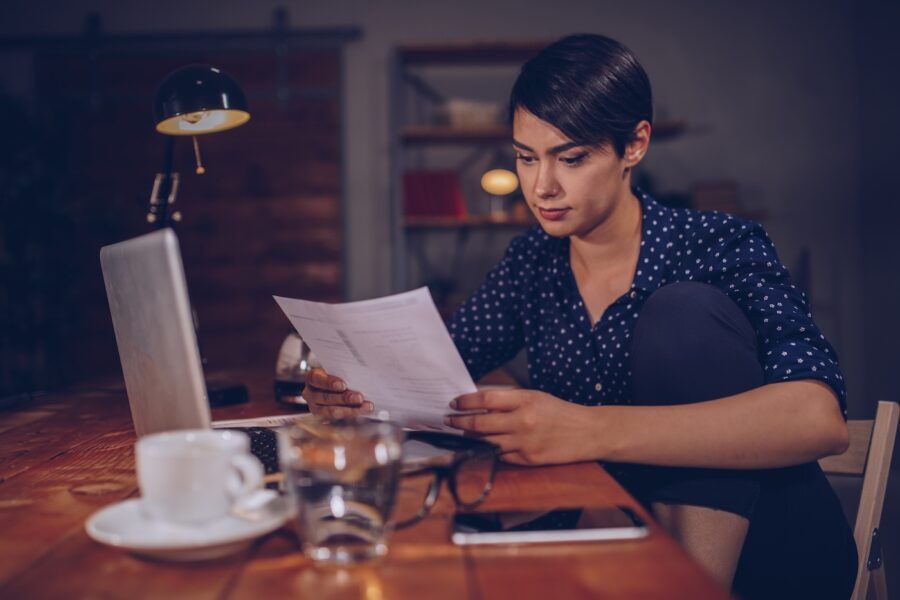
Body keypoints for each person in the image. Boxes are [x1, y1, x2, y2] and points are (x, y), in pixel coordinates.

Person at [303, 34, 857, 599]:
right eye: (525, 157)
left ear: (634, 144)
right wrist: (355, 388)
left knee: (679, 314)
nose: (542, 186)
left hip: (772, 559)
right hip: (622, 542)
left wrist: (583, 429)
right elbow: (435, 364)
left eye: (571, 158)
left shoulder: (719, 244)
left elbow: (818, 418)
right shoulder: (532, 264)